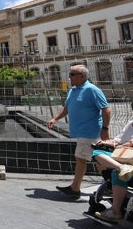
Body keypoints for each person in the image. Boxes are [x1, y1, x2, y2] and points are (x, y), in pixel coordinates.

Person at [47, 65, 111, 199]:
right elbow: (66, 108)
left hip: (90, 131)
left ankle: (75, 189)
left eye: (72, 74)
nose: (69, 77)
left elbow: (106, 109)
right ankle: (111, 184)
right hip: (81, 131)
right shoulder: (73, 90)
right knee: (98, 160)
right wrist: (55, 118)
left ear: (82, 76)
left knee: (83, 159)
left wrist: (105, 129)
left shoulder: (92, 90)